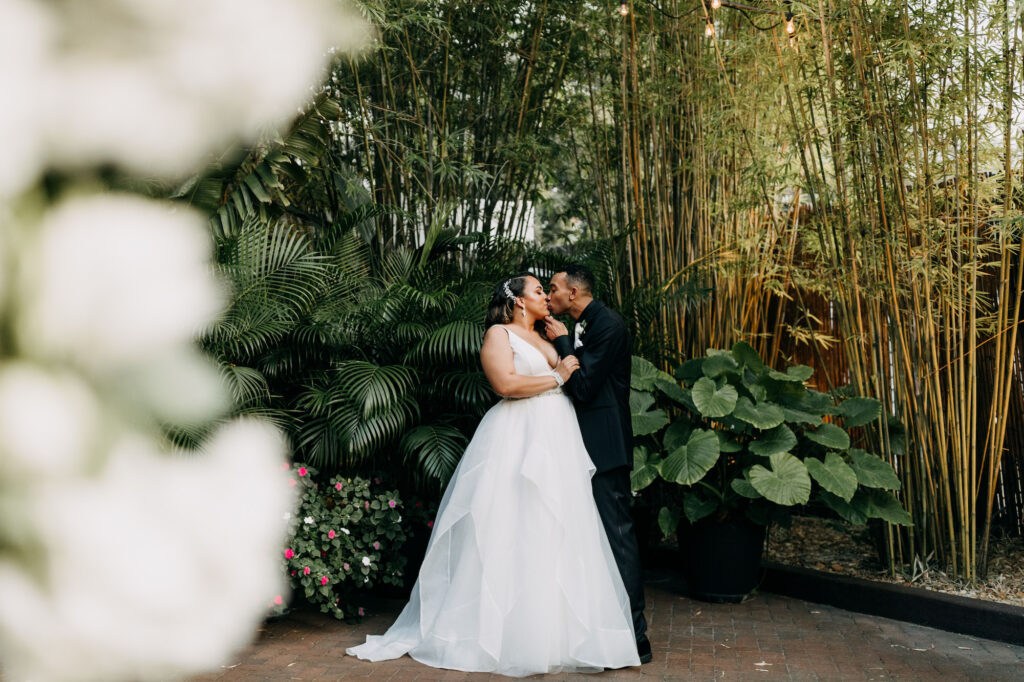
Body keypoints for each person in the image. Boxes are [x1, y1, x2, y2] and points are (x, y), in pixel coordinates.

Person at [346, 273, 640, 677]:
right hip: (518, 436)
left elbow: (579, 377)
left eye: (547, 289)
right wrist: (558, 375)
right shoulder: (499, 335)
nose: (545, 296)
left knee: (556, 530)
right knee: (513, 525)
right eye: (538, 290)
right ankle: (504, 632)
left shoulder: (550, 336)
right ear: (519, 301)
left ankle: (556, 632)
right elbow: (505, 384)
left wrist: (564, 354)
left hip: (559, 441)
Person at [544, 264, 651, 664]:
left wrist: (565, 345)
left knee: (617, 536)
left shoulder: (608, 325)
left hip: (605, 448)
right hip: (573, 447)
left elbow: (585, 387)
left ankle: (636, 636)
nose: (550, 294)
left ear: (573, 293)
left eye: (553, 288)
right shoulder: (571, 325)